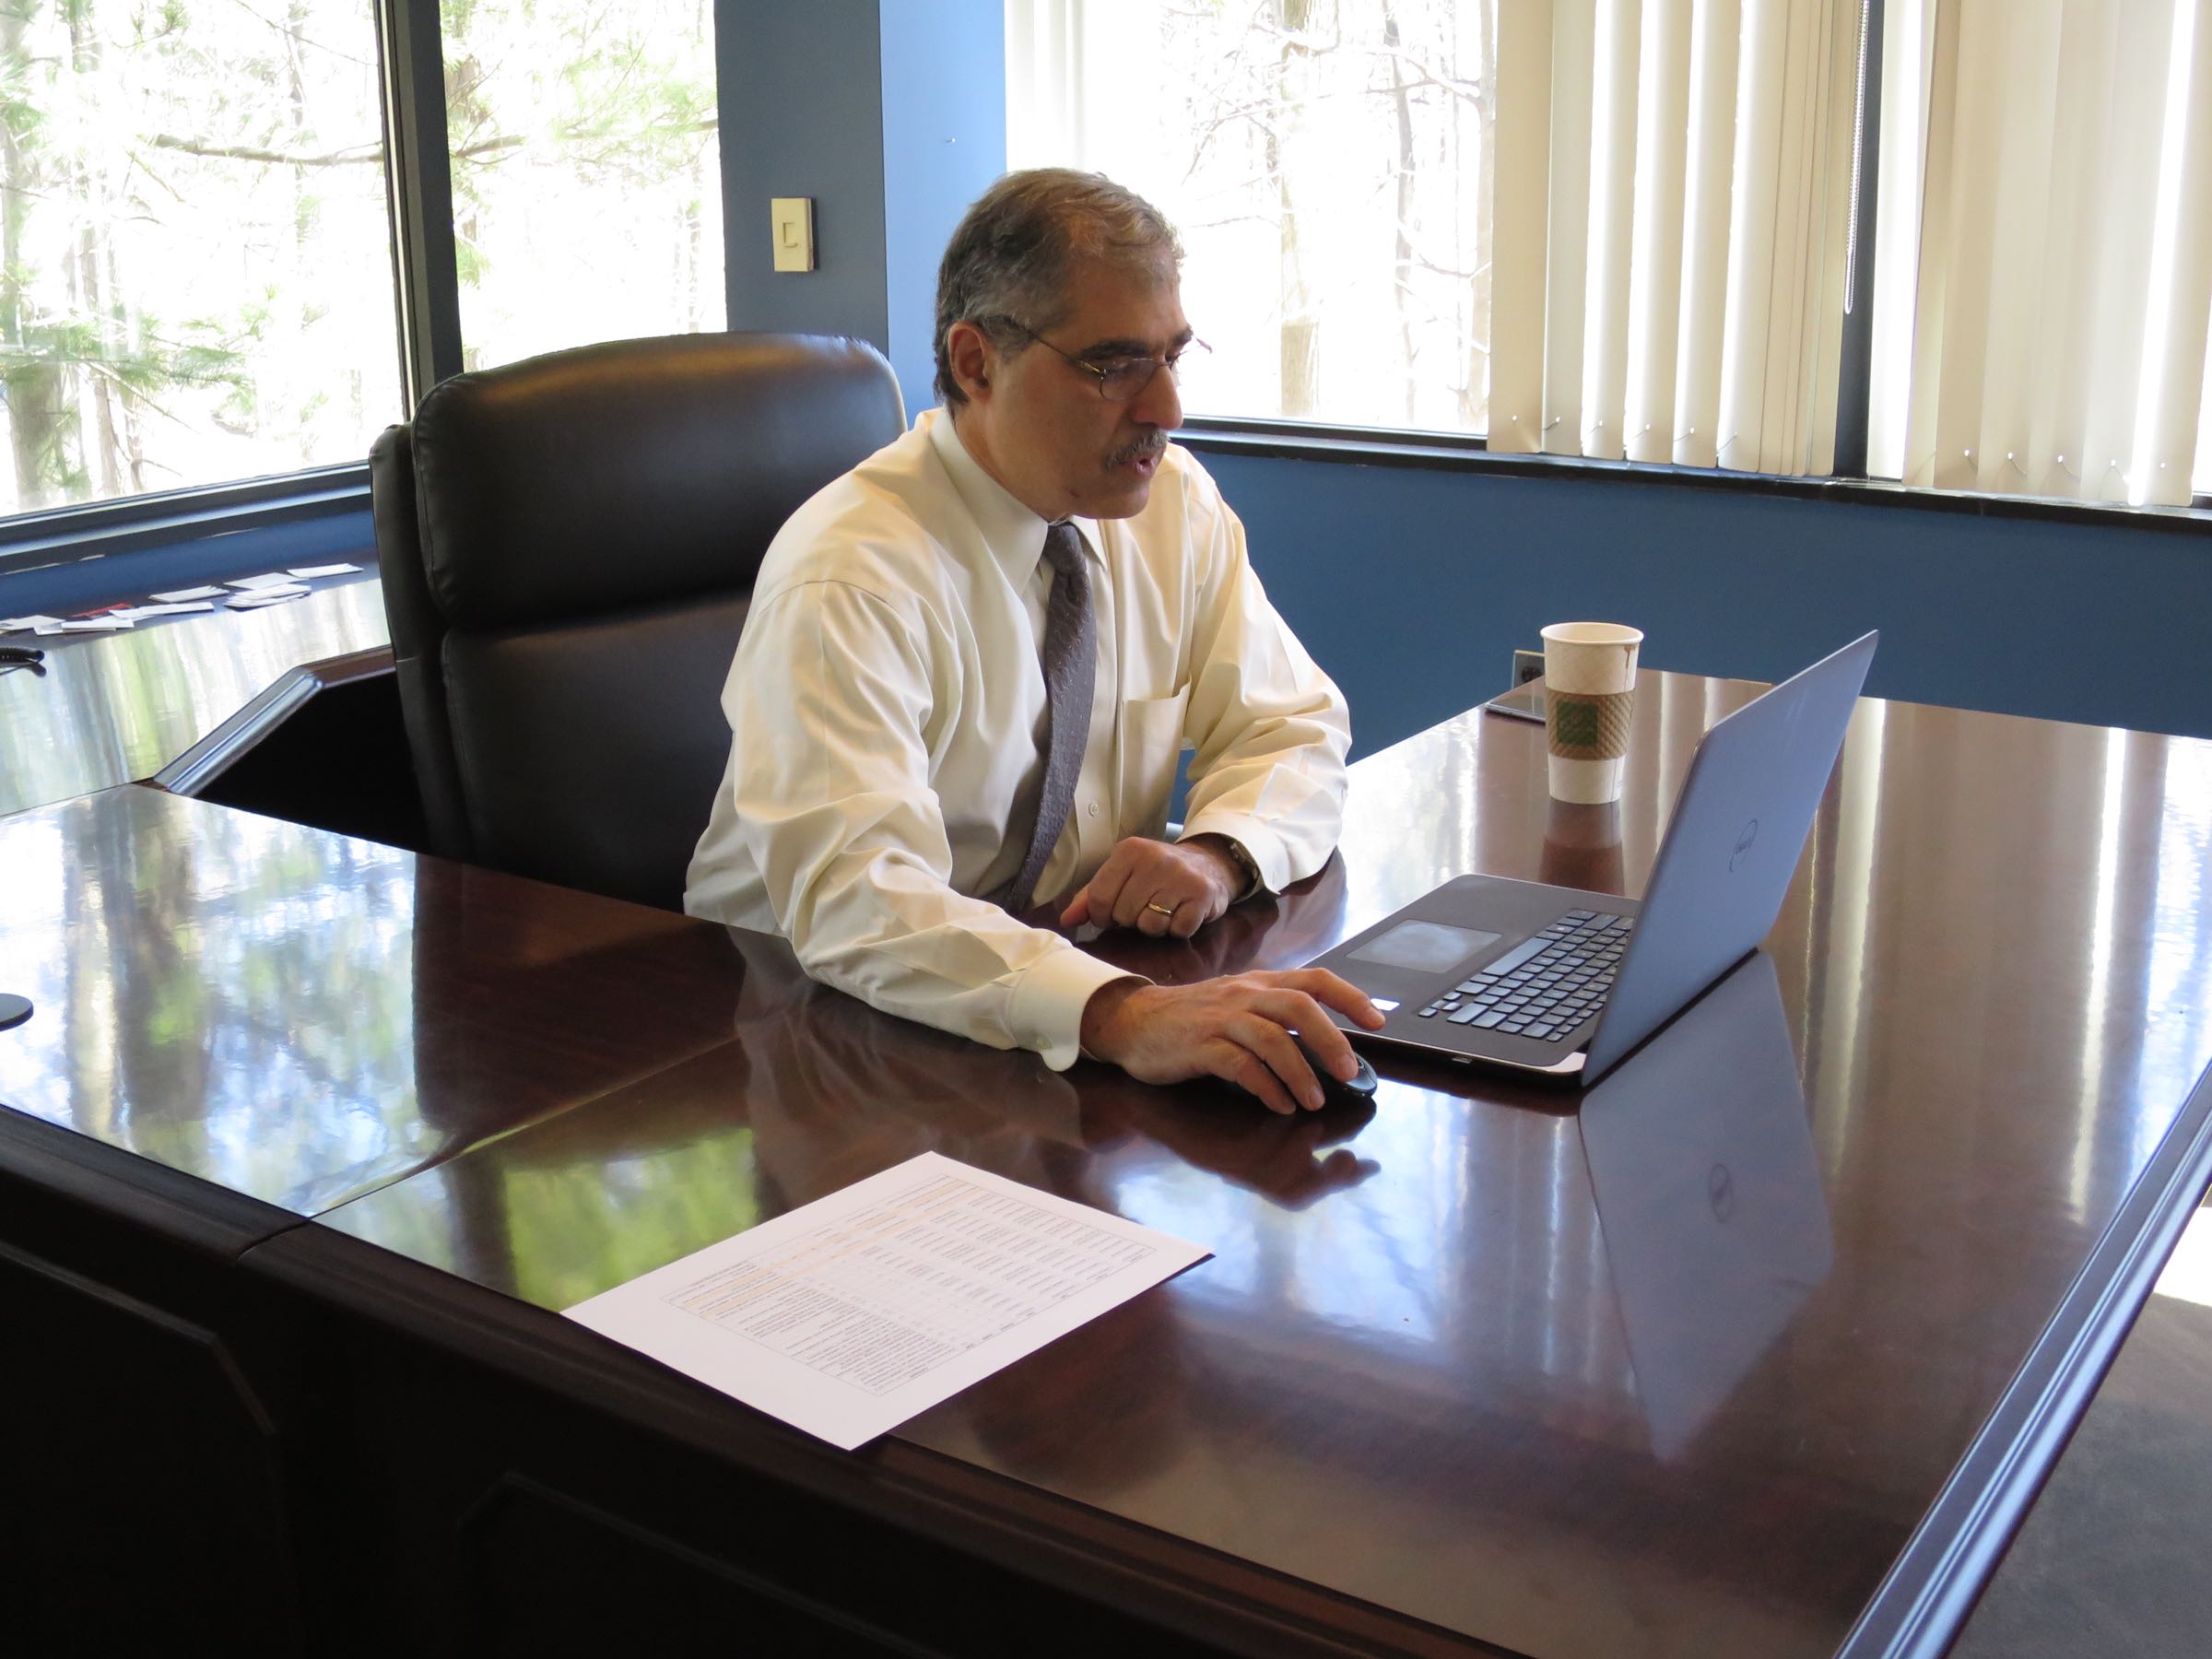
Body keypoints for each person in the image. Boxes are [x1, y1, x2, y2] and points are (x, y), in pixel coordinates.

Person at [685, 168, 1380, 1113]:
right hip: (808, 1027)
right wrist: (1122, 1014)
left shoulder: (1171, 505)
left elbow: (1291, 727)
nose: (1167, 409)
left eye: (1174, 356)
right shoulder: (851, 573)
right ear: (977, 363)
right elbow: (860, 897)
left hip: (1040, 1006)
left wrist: (1219, 852)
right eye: (1114, 366)